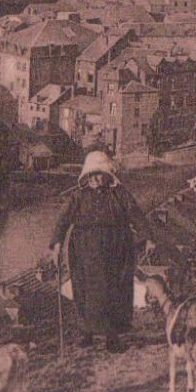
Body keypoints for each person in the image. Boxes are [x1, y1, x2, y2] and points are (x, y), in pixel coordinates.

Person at [50, 150, 150, 352]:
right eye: (90, 175)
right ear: (85, 176)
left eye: (98, 174)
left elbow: (136, 214)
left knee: (114, 291)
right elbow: (63, 220)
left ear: (108, 175)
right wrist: (57, 243)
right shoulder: (78, 196)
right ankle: (87, 333)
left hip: (116, 248)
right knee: (86, 290)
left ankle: (112, 337)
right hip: (85, 249)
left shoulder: (119, 194)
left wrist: (148, 237)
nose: (94, 179)